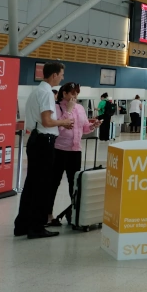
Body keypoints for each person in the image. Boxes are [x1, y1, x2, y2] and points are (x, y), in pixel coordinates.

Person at [14, 61, 72, 239]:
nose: (62, 78)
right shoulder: (47, 93)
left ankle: (22, 224)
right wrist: (64, 122)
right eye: (61, 74)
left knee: (31, 184)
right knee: (42, 185)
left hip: (35, 139)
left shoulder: (35, 92)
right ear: (54, 75)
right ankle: (37, 227)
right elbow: (47, 121)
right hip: (44, 141)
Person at [49, 83, 101, 226]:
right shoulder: (57, 107)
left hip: (75, 150)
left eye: (77, 94)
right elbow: (59, 127)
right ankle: (48, 214)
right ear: (64, 94)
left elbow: (83, 128)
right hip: (59, 149)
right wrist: (69, 111)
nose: (75, 97)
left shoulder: (80, 108)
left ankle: (75, 213)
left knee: (75, 182)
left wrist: (92, 126)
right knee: (54, 182)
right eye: (72, 93)